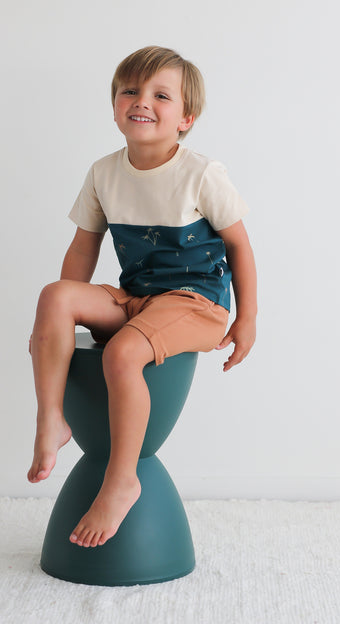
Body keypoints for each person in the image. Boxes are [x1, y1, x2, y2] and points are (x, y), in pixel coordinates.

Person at [28, 46, 257, 548]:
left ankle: (122, 479)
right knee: (54, 296)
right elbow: (83, 246)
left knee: (123, 351)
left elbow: (240, 245)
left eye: (160, 95)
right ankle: (51, 421)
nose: (141, 100)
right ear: (114, 105)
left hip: (197, 304)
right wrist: (72, 307)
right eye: (129, 90)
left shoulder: (202, 173)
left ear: (185, 118)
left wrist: (247, 320)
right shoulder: (104, 172)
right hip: (138, 299)